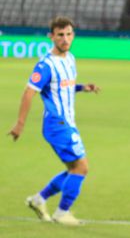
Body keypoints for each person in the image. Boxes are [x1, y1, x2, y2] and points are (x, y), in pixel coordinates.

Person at [8, 17, 100, 226]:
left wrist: (83, 87)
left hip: (67, 123)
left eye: (68, 34)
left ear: (73, 35)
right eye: (60, 35)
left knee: (73, 168)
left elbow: (64, 86)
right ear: (51, 37)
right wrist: (20, 123)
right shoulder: (46, 65)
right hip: (58, 125)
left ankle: (38, 200)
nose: (65, 39)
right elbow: (29, 92)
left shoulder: (70, 59)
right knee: (81, 168)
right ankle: (62, 213)